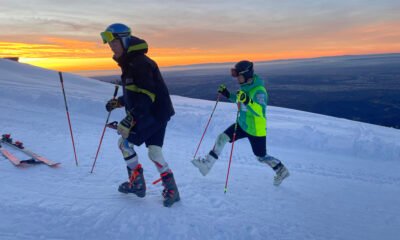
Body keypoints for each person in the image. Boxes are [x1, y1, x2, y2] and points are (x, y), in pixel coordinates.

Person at [101, 23, 180, 207]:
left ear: (124, 40)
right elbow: (136, 92)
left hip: (152, 114)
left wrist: (130, 118)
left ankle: (137, 184)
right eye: (109, 43)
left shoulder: (139, 63)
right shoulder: (132, 62)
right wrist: (120, 102)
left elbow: (147, 95)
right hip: (158, 113)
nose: (111, 47)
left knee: (124, 143)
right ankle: (172, 190)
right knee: (154, 152)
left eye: (114, 42)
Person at [192, 60, 290, 186]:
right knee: (222, 137)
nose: (237, 78)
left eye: (239, 75)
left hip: (255, 129)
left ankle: (281, 170)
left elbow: (260, 111)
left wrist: (248, 101)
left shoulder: (259, 90)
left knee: (261, 156)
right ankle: (207, 165)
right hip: (242, 125)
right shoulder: (244, 88)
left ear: (247, 74)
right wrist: (227, 94)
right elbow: (239, 100)